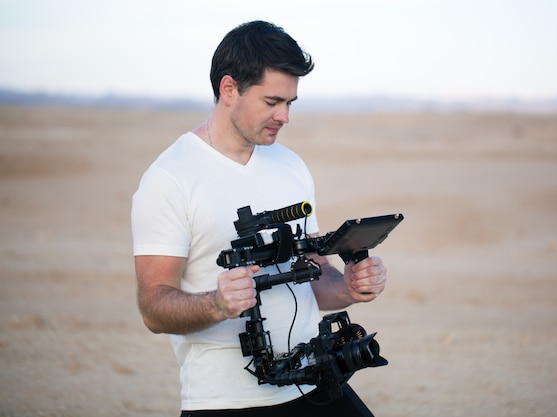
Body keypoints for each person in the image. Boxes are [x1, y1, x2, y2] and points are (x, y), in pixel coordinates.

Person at [131, 21, 388, 416]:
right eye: (272, 102)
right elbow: (153, 307)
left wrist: (350, 287)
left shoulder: (290, 164)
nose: (284, 116)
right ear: (229, 89)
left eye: (290, 103)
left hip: (315, 380)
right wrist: (217, 303)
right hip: (227, 400)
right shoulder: (171, 178)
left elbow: (315, 276)